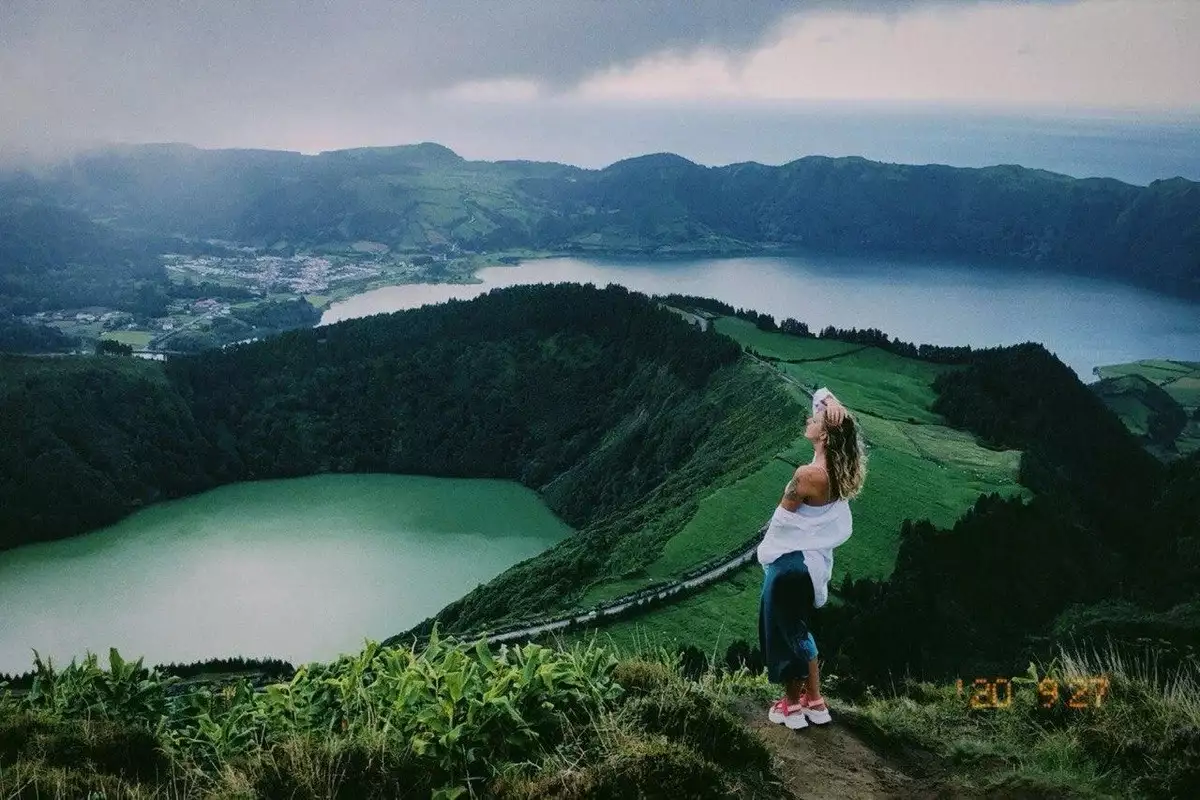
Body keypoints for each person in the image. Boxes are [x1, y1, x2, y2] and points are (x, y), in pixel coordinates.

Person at [757, 387, 867, 730]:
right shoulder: (839, 473)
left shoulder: (807, 475)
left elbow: (782, 519)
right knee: (801, 628)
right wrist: (833, 402)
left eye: (816, 418)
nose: (810, 418)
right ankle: (815, 701)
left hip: (790, 564)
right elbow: (821, 396)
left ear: (825, 434)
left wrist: (768, 552)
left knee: (781, 629)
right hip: (814, 564)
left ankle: (790, 705)